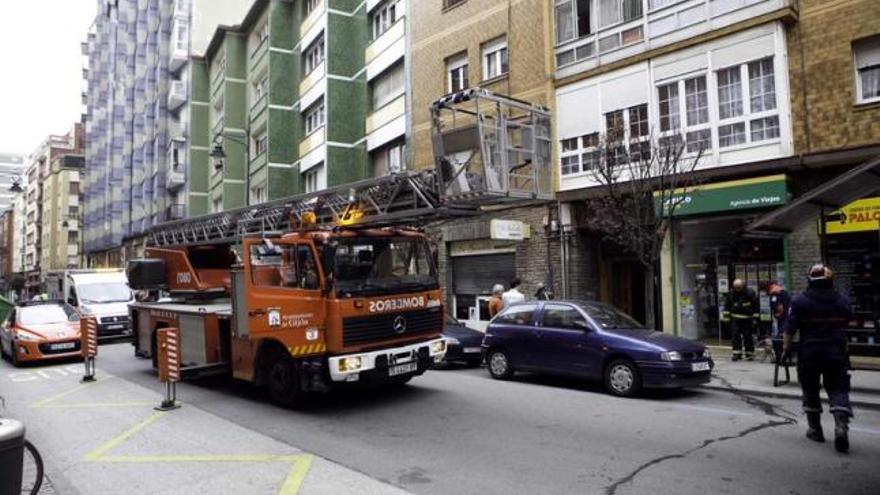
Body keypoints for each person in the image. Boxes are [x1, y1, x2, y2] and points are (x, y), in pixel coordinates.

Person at [784, 264, 853, 453]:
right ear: (830, 281)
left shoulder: (800, 301)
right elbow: (846, 323)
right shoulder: (842, 300)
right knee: (838, 388)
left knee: (810, 388)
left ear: (810, 280)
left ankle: (815, 429)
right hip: (835, 351)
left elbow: (790, 329)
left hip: (810, 352)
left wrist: (786, 350)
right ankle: (841, 426)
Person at [722, 279, 759, 361]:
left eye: (739, 287)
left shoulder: (750, 293)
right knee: (735, 336)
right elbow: (727, 306)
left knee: (748, 336)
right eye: (735, 287)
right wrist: (726, 318)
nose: (737, 289)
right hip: (735, 318)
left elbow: (756, 306)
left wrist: (755, 319)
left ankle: (749, 354)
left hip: (747, 319)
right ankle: (737, 353)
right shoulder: (731, 293)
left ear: (743, 286)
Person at [768, 281, 791, 362]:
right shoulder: (781, 290)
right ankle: (785, 357)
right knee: (782, 336)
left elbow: (777, 306)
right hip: (786, 317)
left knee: (777, 338)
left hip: (781, 318)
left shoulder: (774, 292)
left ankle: (779, 357)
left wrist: (777, 314)